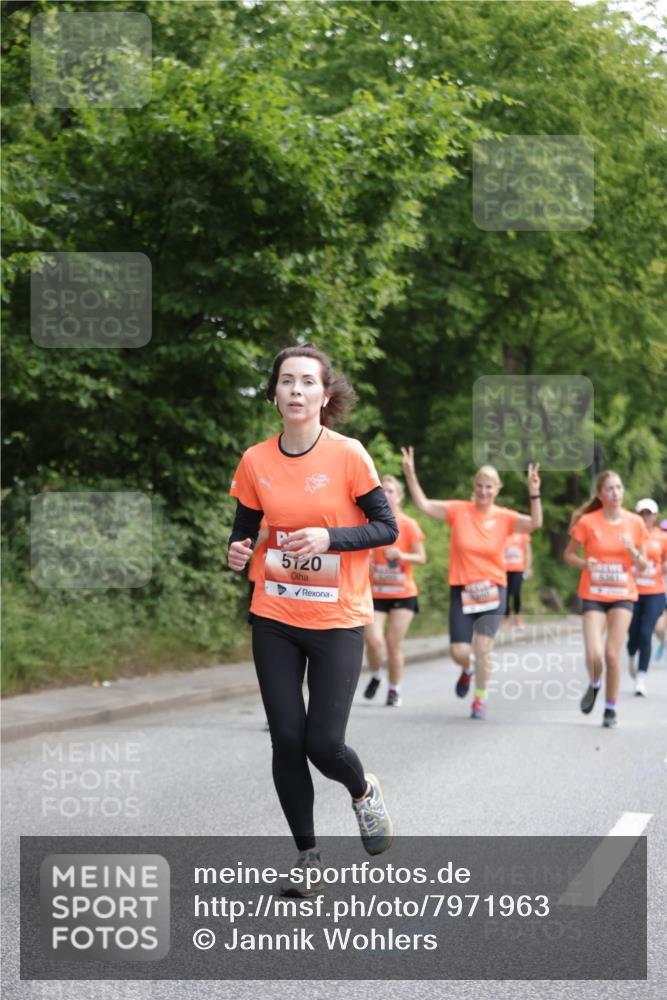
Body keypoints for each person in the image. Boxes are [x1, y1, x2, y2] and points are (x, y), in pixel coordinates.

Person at [227, 344, 398, 893]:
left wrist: (330, 537)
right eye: (287, 381)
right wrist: (237, 550)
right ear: (274, 394)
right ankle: (308, 856)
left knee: (323, 744)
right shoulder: (256, 460)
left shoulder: (349, 455)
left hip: (338, 619)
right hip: (275, 613)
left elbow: (386, 527)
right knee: (285, 738)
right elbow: (244, 528)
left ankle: (363, 792)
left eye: (307, 382)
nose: (296, 390)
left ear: (325, 395)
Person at [401, 448, 542, 720]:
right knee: (459, 651)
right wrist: (410, 474)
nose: (484, 491)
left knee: (484, 648)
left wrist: (534, 493)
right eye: (480, 485)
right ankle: (468, 667)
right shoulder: (459, 510)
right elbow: (424, 504)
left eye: (489, 487)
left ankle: (480, 698)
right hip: (463, 589)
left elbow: (535, 523)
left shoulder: (504, 517)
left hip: (493, 590)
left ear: (497, 490)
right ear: (474, 487)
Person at [563, 470, 648, 728]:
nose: (615, 493)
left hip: (623, 595)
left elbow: (643, 565)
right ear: (600, 494)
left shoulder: (635, 523)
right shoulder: (588, 522)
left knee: (612, 654)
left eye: (619, 487)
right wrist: (584, 564)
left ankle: (610, 708)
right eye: (610, 488)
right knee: (594, 654)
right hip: (594, 594)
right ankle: (595, 682)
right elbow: (569, 555)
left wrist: (631, 549)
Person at [363, 474, 426, 707]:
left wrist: (401, 555)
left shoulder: (408, 524)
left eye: (391, 491)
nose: (386, 495)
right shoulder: (369, 522)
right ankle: (376, 675)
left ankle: (394, 689)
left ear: (399, 496)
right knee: (374, 641)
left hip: (403, 594)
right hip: (376, 593)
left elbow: (421, 558)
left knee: (392, 643)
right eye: (382, 491)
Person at [626, 499, 667, 694]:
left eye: (649, 513)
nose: (645, 517)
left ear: (655, 516)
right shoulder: (629, 536)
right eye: (642, 513)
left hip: (654, 592)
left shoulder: (662, 537)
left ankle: (641, 678)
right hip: (632, 592)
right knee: (633, 635)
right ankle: (631, 655)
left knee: (645, 633)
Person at [503, 532, 532, 629]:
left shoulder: (523, 534)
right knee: (505, 594)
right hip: (505, 569)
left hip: (518, 569)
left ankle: (518, 617)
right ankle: (506, 619)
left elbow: (528, 552)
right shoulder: (504, 533)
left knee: (516, 593)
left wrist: (528, 567)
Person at [654, 517, 667, 661]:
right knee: (658, 629)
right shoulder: (655, 552)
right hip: (661, 596)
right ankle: (663, 641)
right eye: (663, 531)